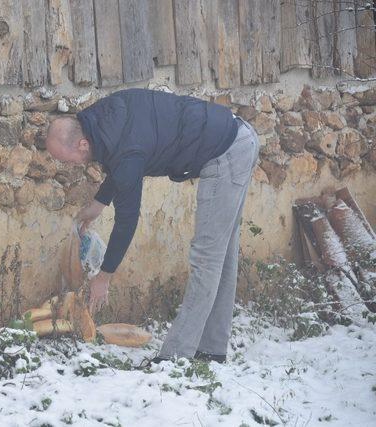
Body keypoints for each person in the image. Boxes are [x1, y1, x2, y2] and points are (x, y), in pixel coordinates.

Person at [44, 88, 260, 364]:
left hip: (227, 153)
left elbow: (127, 219)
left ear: (82, 145)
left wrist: (104, 277)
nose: (67, 165)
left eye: (64, 159)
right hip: (236, 138)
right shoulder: (102, 116)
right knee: (223, 255)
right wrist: (99, 202)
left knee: (207, 258)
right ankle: (211, 350)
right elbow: (121, 159)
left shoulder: (123, 150)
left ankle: (174, 358)